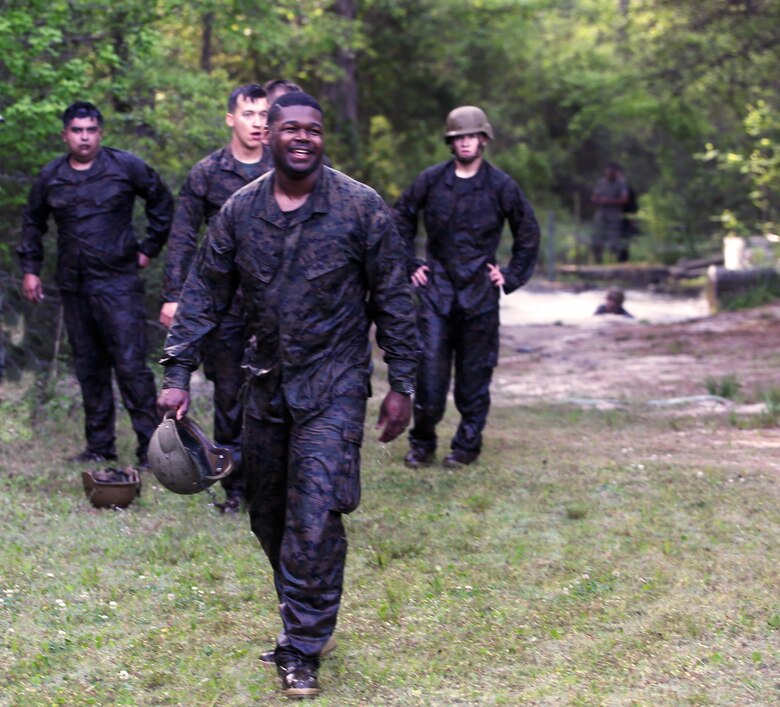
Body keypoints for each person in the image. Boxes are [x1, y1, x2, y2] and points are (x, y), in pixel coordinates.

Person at [156, 92, 418, 699]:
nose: (304, 138)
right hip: (266, 384)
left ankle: (300, 647)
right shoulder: (240, 212)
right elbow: (203, 293)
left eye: (315, 130)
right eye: (291, 128)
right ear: (268, 135)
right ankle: (304, 607)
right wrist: (175, 377)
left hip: (335, 384)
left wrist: (401, 383)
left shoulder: (360, 208)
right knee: (268, 514)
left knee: (314, 513)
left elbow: (394, 299)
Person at [18, 101, 173, 466]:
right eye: (77, 130)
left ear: (100, 133)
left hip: (119, 283)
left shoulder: (125, 166)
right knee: (89, 367)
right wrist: (30, 269)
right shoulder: (51, 176)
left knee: (132, 366)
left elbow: (162, 201)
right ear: (65, 135)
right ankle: (100, 446)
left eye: (90, 130)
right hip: (74, 286)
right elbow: (32, 222)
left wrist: (149, 246)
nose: (84, 137)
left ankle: (151, 450)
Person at [394, 105, 540, 470]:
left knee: (474, 378)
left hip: (479, 295)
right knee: (428, 377)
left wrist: (510, 275)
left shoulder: (501, 186)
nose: (466, 143)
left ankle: (466, 446)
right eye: (459, 137)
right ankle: (422, 443)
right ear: (451, 142)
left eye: (472, 136)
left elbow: (528, 231)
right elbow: (400, 218)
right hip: (435, 293)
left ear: (484, 140)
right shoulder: (430, 181)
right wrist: (411, 264)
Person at [159, 83, 270, 514]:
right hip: (225, 307)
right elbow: (184, 238)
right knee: (229, 398)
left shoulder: (288, 167)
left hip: (275, 307)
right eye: (249, 114)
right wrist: (174, 297)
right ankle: (236, 488)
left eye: (264, 114)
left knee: (278, 396)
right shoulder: (207, 173)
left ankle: (276, 486)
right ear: (231, 119)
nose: (259, 123)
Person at [590, 163, 629, 263]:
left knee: (614, 238)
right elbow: (594, 196)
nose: (609, 175)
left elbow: (624, 199)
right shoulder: (602, 182)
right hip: (601, 213)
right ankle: (598, 258)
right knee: (598, 235)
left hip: (614, 215)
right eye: (607, 173)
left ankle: (614, 259)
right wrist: (597, 200)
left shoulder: (621, 183)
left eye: (611, 173)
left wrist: (610, 201)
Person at [616, 166, 639, 262]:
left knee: (624, 239)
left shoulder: (628, 189)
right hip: (613, 218)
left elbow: (633, 206)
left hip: (625, 218)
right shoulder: (612, 188)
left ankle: (623, 260)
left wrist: (632, 219)